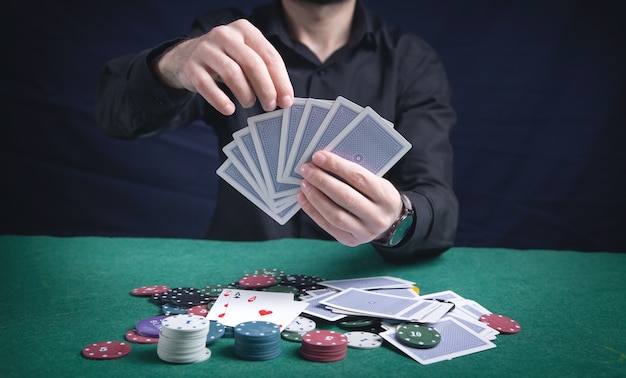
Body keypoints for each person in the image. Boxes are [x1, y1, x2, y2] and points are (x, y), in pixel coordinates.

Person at [96, 0, 458, 262]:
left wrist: (397, 217)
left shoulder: (410, 60)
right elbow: (116, 117)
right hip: (235, 276)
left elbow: (438, 205)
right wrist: (175, 63)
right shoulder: (224, 38)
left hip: (354, 279)